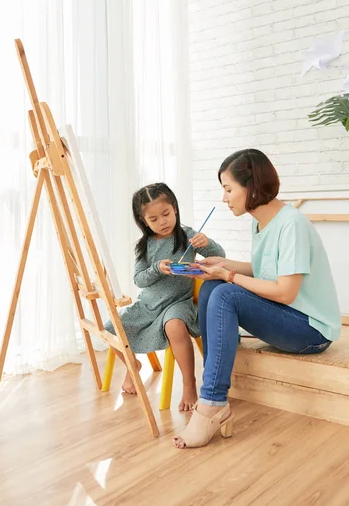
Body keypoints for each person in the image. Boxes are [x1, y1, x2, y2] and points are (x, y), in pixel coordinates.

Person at [174, 149, 341, 448]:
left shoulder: (291, 224)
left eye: (228, 189)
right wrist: (223, 266)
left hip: (311, 330)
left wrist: (228, 277)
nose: (224, 199)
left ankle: (211, 403)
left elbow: (285, 292)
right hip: (287, 315)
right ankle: (214, 397)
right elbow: (266, 271)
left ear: (251, 186)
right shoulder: (261, 222)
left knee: (224, 292)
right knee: (213, 287)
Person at [104, 182, 225, 411]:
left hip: (178, 303)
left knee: (175, 327)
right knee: (111, 327)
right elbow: (139, 280)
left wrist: (207, 243)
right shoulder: (144, 246)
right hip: (148, 305)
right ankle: (133, 366)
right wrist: (157, 268)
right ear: (144, 222)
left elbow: (219, 256)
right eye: (154, 219)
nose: (163, 222)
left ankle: (189, 383)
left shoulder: (187, 234)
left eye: (166, 214)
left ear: (175, 209)